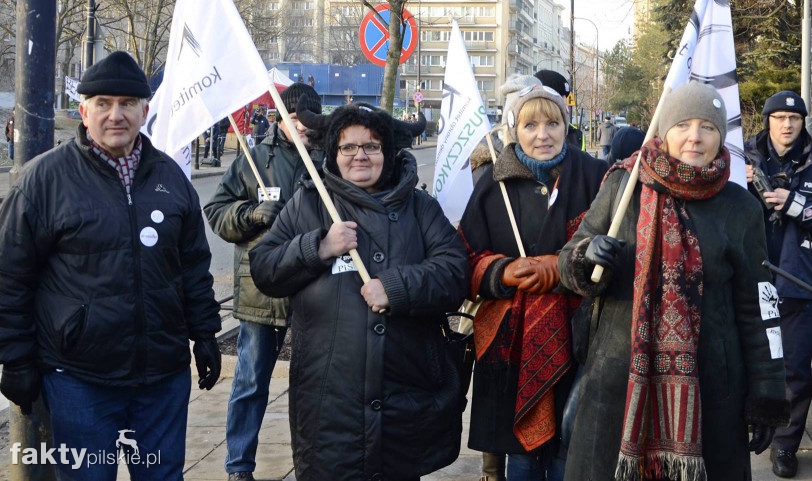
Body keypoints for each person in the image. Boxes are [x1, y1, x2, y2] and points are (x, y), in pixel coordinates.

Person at [0, 50, 222, 480]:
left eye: (126, 103)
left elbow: (193, 266)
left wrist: (205, 333)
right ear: (84, 112)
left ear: (144, 111)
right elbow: (11, 276)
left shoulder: (171, 178)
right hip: (80, 379)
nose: (115, 114)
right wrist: (16, 359)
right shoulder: (43, 180)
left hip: (162, 377)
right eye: (103, 103)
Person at [558, 82, 788, 481]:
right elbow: (568, 263)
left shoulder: (741, 208)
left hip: (712, 392)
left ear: (721, 137)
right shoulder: (624, 188)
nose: (695, 137)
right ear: (665, 131)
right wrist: (587, 254)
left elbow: (759, 308)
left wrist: (767, 392)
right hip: (617, 385)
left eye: (707, 127)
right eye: (683, 125)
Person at [249, 103, 468, 481]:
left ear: (388, 152)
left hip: (405, 399)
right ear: (333, 153)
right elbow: (264, 269)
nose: (360, 156)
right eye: (348, 147)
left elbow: (454, 273)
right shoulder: (308, 203)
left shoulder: (420, 208)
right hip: (329, 404)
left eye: (371, 146)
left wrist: (396, 288)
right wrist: (317, 247)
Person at [460, 81, 609, 481]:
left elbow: (619, 245)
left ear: (566, 125)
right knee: (521, 457)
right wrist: (500, 271)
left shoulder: (597, 177)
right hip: (511, 342)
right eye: (530, 125)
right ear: (515, 130)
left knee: (569, 448)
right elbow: (464, 256)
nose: (542, 135)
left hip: (579, 338)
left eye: (552, 123)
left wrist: (565, 266)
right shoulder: (494, 183)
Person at [203, 83, 321, 481]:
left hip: (315, 290)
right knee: (251, 380)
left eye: (309, 120)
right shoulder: (255, 159)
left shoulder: (329, 158)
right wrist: (252, 214)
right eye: (295, 118)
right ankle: (239, 466)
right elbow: (216, 210)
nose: (302, 127)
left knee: (315, 385)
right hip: (262, 291)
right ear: (280, 118)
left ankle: (313, 464)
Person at [741, 90, 812, 477]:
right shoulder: (739, 161)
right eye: (778, 118)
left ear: (803, 123)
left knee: (795, 370)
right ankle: (744, 429)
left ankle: (785, 446)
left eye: (794, 119)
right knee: (739, 363)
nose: (786, 125)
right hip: (747, 281)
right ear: (767, 121)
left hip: (799, 284)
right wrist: (739, 186)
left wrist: (797, 205)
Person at [534, 69, 585, 150]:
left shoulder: (574, 133)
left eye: (565, 97)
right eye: (559, 97)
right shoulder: (521, 131)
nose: (565, 103)